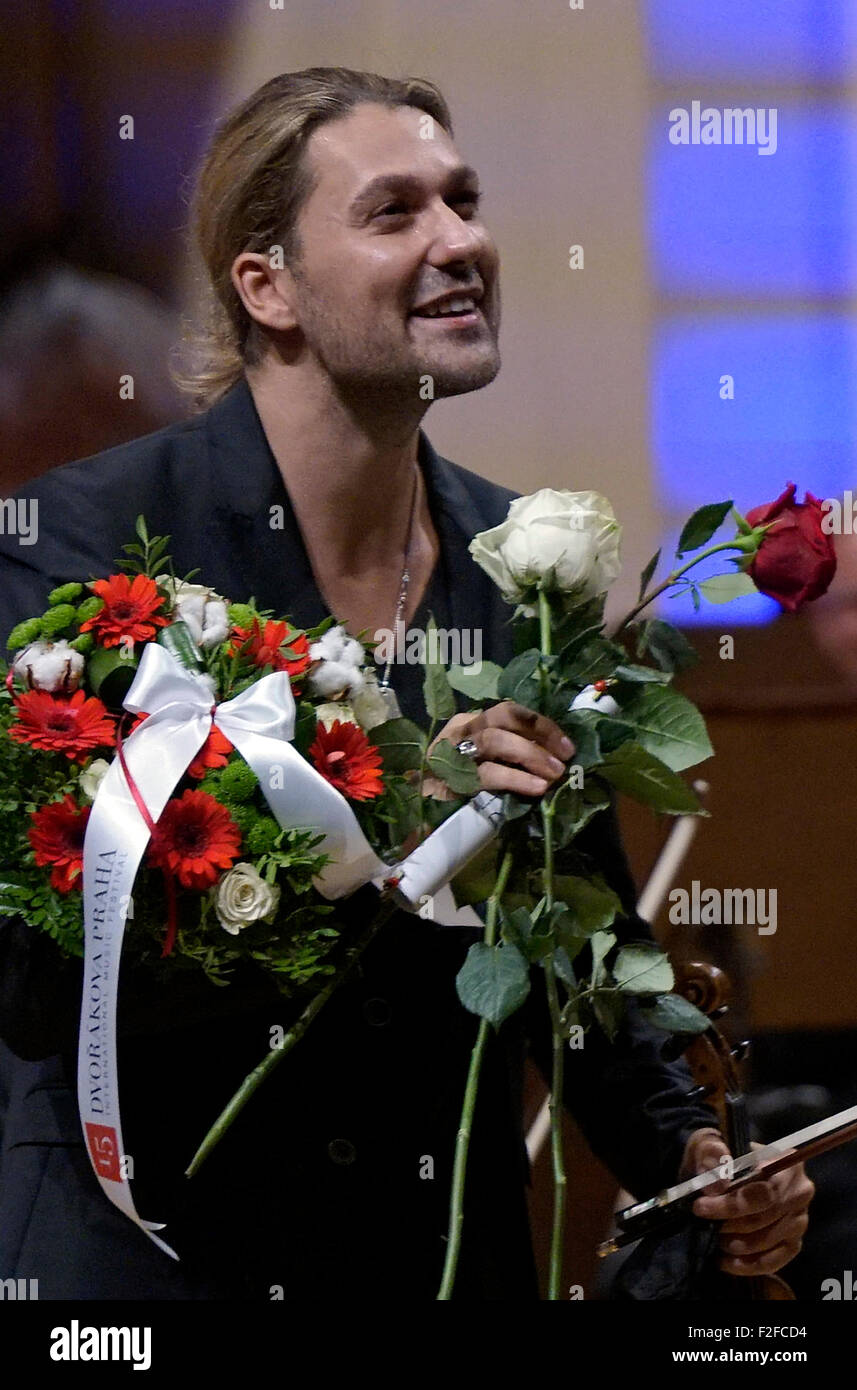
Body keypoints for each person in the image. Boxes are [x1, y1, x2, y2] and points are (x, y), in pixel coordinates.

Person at [0, 67, 812, 1300]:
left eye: (464, 200)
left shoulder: (519, 566)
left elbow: (573, 927)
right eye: (395, 212)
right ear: (264, 285)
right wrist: (407, 822)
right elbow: (42, 951)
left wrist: (691, 1150)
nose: (462, 242)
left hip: (428, 1259)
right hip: (150, 1260)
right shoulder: (85, 541)